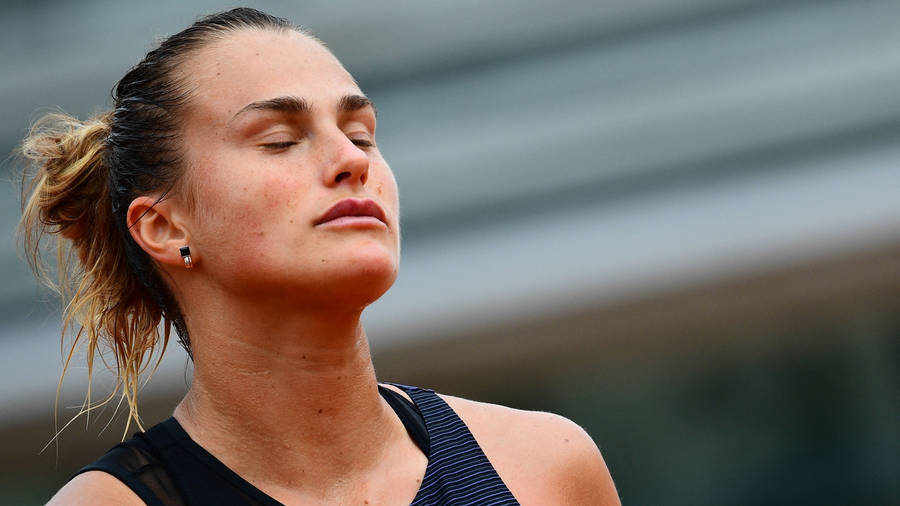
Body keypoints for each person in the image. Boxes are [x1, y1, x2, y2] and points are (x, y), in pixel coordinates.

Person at [20, 8, 619, 505]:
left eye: (362, 135)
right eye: (280, 141)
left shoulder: (543, 468)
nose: (352, 161)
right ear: (163, 225)